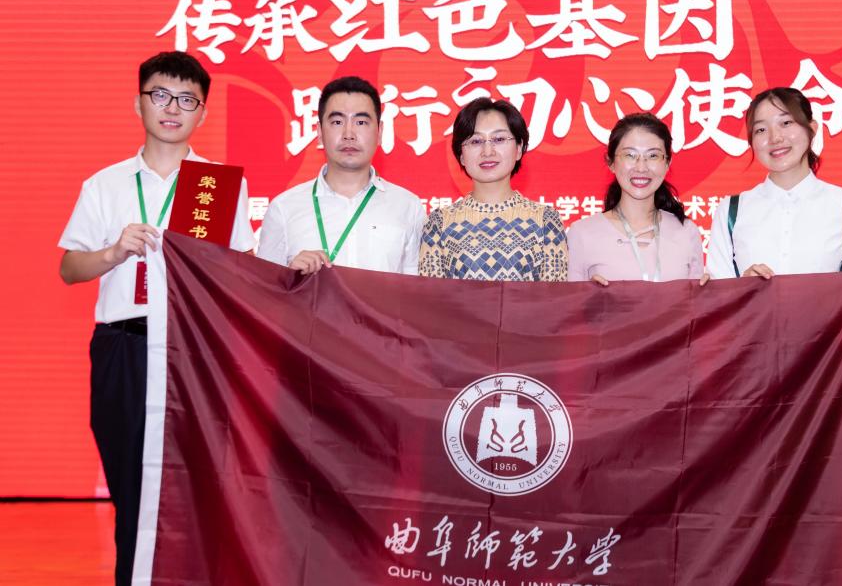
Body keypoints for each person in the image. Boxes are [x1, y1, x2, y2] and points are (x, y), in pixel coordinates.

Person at [58, 51, 256, 586]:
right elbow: (69, 269)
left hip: (193, 353)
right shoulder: (106, 184)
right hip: (124, 347)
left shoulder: (218, 185)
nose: (172, 108)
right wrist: (113, 252)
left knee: (193, 487)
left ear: (203, 113)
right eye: (161, 95)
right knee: (130, 488)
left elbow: (241, 273)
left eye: (187, 100)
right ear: (138, 103)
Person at [706, 87, 842, 318]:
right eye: (761, 129)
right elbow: (716, 308)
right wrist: (741, 291)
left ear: (812, 129)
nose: (775, 137)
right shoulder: (731, 210)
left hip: (825, 341)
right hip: (752, 340)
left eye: (786, 123)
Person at [257, 76, 425, 275]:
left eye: (361, 122)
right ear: (319, 132)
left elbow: (416, 289)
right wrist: (289, 276)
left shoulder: (408, 207)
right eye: (337, 122)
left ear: (379, 132)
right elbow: (263, 288)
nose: (348, 134)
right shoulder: (283, 209)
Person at [419, 98, 567, 281]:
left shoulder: (546, 221)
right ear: (461, 155)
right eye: (475, 141)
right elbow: (432, 296)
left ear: (519, 148)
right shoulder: (439, 223)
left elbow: (555, 296)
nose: (488, 151)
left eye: (499, 139)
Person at [568, 113, 703, 283]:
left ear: (667, 163)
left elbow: (696, 300)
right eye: (630, 155)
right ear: (611, 162)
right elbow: (570, 300)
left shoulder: (687, 232)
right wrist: (589, 295)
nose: (641, 167)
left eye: (653, 156)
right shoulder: (582, 233)